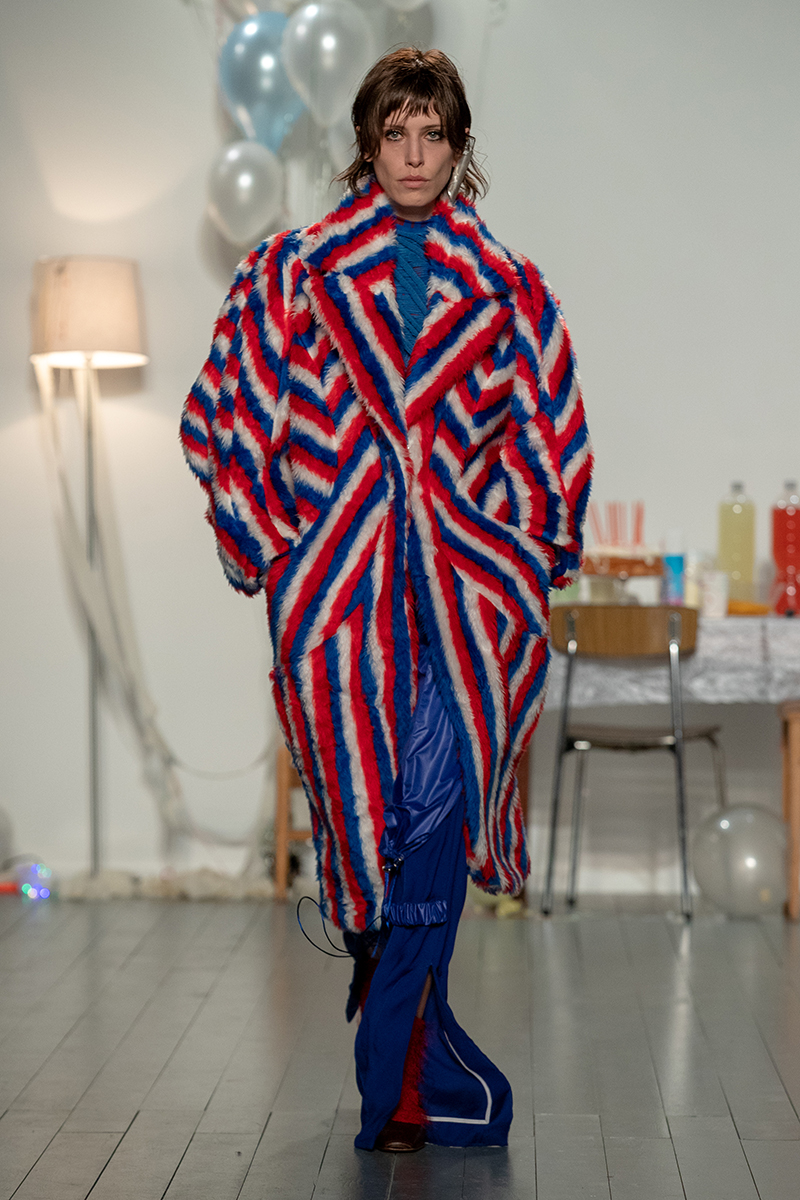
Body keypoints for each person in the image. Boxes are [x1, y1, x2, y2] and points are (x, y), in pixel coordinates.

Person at [181, 47, 591, 1153]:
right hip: (342, 604)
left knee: (434, 826)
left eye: (432, 134)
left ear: (458, 148)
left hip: (466, 611)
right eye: (394, 133)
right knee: (377, 829)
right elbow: (223, 413)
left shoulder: (509, 289)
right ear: (367, 143)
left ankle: (398, 1078)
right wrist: (278, 540)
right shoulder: (291, 271)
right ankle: (410, 1050)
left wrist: (522, 551)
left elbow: (549, 437)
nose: (413, 155)